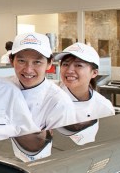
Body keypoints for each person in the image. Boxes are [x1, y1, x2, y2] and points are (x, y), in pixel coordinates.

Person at [8, 32, 76, 161]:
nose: (28, 69)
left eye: (37, 62)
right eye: (22, 61)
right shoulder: (1, 88)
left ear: (49, 63)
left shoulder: (59, 101)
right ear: (12, 61)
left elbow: (62, 151)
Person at [54, 42, 115, 145]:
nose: (69, 70)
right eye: (65, 64)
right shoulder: (49, 97)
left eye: (78, 65)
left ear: (94, 73)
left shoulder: (103, 107)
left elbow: (106, 142)